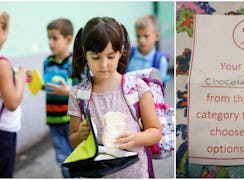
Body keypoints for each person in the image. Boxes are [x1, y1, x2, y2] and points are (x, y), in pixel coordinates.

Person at [68, 17, 162, 178]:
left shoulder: (137, 88)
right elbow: (73, 139)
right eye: (96, 57)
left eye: (110, 56)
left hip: (136, 173)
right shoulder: (78, 94)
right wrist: (81, 135)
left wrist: (136, 138)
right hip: (99, 173)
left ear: (121, 51)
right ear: (85, 52)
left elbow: (155, 131)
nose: (103, 64)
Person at [43, 18, 76, 178]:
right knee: (62, 157)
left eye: (55, 38)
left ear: (68, 39)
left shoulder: (73, 62)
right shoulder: (47, 62)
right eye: (48, 38)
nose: (51, 42)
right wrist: (32, 80)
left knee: (76, 156)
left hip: (71, 120)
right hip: (53, 120)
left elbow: (80, 90)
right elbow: (47, 85)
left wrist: (68, 91)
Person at [0, 10, 27, 178]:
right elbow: (12, 103)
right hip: (3, 133)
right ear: (2, 30)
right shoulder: (2, 63)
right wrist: (21, 79)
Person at [126, 15, 170, 84]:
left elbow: (159, 87)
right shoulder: (129, 54)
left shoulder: (160, 60)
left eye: (146, 36)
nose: (141, 40)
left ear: (157, 36)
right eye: (138, 36)